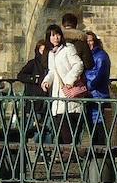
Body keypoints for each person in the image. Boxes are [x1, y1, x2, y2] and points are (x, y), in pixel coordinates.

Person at [39, 23, 86, 151]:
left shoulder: (68, 48)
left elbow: (78, 64)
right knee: (60, 127)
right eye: (53, 35)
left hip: (70, 95)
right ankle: (68, 155)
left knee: (68, 129)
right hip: (58, 95)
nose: (56, 38)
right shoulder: (51, 53)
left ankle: (71, 155)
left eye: (58, 34)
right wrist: (46, 82)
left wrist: (70, 81)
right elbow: (52, 71)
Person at [84, 31, 111, 139]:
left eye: (90, 40)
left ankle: (103, 153)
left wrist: (87, 86)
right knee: (92, 127)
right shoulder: (88, 55)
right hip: (90, 95)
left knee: (100, 126)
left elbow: (100, 76)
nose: (89, 43)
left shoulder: (101, 56)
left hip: (99, 94)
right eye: (86, 41)